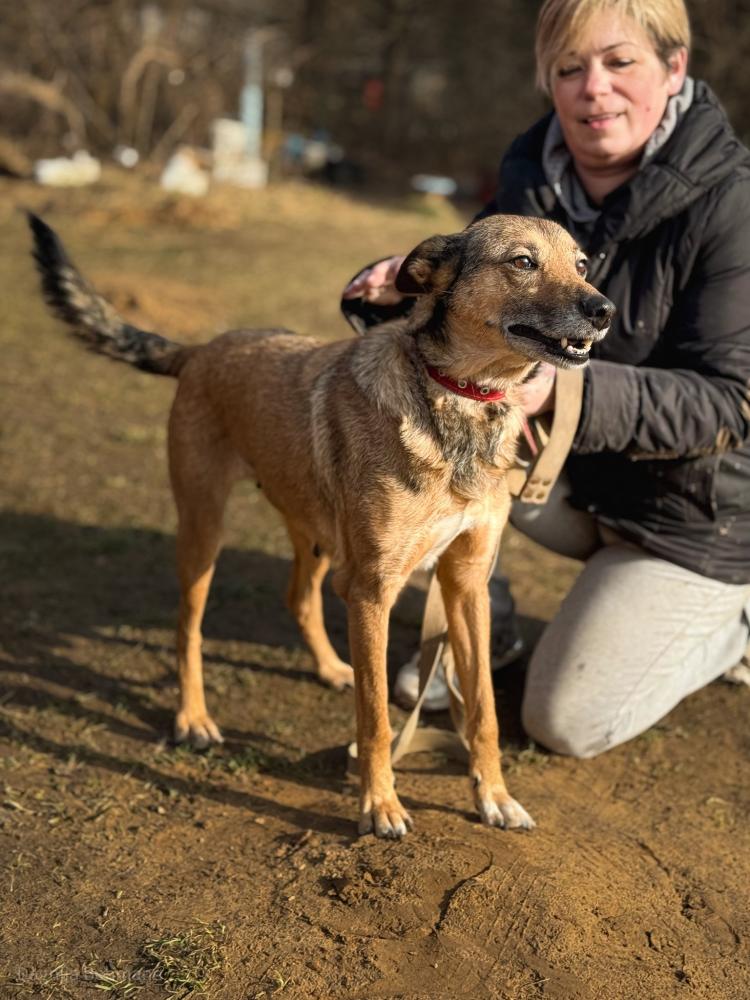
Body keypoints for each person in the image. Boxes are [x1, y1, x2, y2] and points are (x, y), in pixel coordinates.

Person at [342, 0, 750, 758]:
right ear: (549, 82)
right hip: (576, 480)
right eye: (569, 68)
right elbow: (468, 298)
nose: (593, 87)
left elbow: (734, 401)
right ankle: (485, 625)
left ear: (674, 69)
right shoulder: (531, 176)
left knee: (565, 718)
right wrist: (397, 287)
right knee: (431, 456)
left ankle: (733, 623)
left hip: (697, 513)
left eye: (620, 62)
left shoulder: (735, 202)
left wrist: (565, 393)